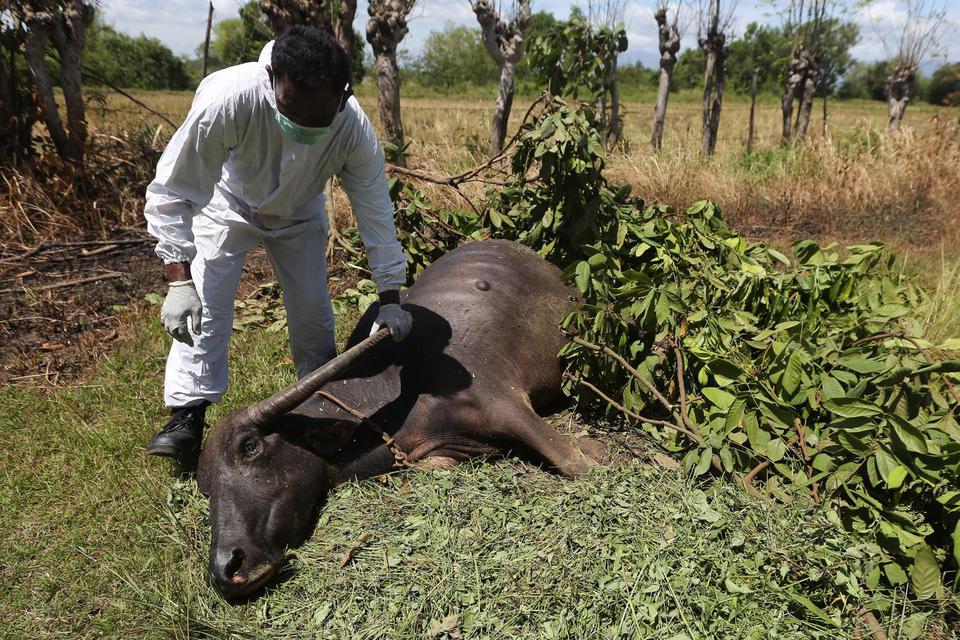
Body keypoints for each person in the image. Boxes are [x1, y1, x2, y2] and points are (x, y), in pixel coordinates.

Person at [143, 26, 412, 461]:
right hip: (225, 205)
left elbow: (375, 209)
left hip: (300, 214)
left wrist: (390, 297)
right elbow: (174, 189)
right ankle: (186, 416)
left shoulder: (353, 129)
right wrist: (178, 279)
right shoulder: (229, 98)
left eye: (316, 117)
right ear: (272, 78)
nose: (302, 124)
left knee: (311, 313)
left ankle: (317, 402)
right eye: (291, 108)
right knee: (207, 309)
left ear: (341, 99)